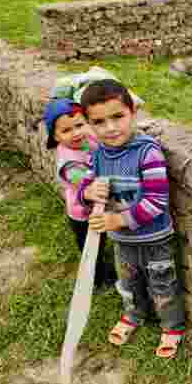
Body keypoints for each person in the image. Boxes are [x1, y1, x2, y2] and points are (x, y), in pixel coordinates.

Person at [76, 79, 185, 359]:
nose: (110, 128)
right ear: (88, 124)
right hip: (122, 241)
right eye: (99, 122)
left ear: (132, 113)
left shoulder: (148, 153)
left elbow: (157, 203)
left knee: (163, 283)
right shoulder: (96, 155)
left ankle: (172, 326)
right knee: (129, 281)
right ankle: (134, 314)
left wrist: (116, 220)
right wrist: (87, 192)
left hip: (154, 238)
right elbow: (85, 190)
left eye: (118, 117)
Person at [43, 97, 118, 291]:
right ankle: (97, 279)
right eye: (66, 130)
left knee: (101, 240)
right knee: (90, 248)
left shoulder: (86, 140)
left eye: (79, 125)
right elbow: (80, 179)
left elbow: (99, 149)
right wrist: (92, 185)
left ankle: (104, 265)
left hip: (98, 207)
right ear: (56, 136)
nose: (75, 133)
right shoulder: (67, 161)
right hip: (82, 214)